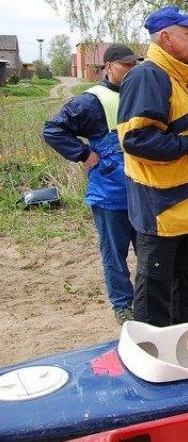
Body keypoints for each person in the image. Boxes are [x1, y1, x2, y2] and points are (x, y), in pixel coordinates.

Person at [118, 5, 188, 327]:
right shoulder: (148, 76)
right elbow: (136, 139)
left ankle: (178, 349)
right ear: (165, 38)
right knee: (155, 296)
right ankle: (150, 357)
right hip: (163, 211)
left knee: (184, 291)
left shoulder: (183, 78)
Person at [43, 44, 141, 324]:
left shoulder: (141, 95)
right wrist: (86, 155)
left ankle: (150, 303)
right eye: (126, 66)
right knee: (115, 252)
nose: (131, 70)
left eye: (135, 65)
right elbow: (53, 129)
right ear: (109, 66)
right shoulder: (89, 101)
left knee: (150, 251)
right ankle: (123, 305)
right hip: (109, 191)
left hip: (144, 189)